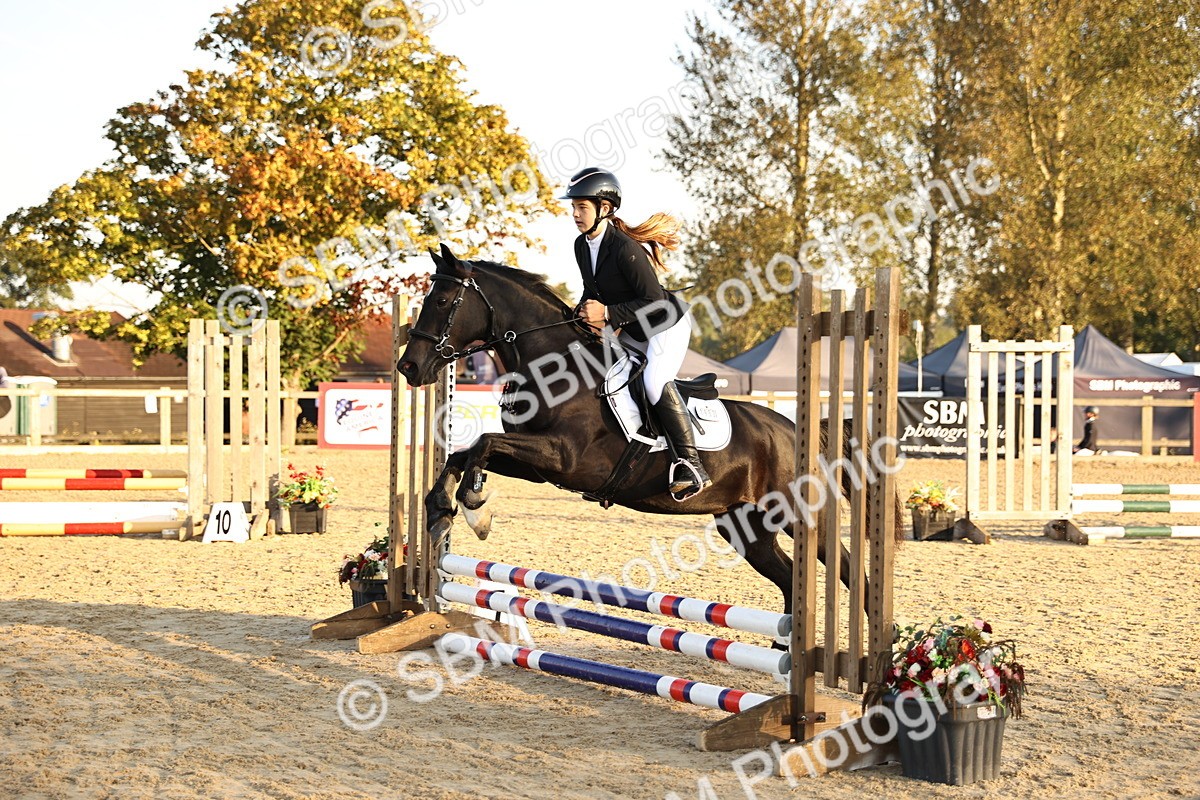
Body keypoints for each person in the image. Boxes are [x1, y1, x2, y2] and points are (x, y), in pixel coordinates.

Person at [562, 167, 711, 500]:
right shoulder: (581, 246)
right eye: (573, 206)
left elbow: (654, 300)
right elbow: (592, 291)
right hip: (633, 327)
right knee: (602, 375)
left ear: (605, 208)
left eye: (582, 207)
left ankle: (691, 464)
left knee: (654, 382)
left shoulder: (624, 247)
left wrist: (610, 313)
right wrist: (580, 315)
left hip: (665, 325)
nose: (575, 213)